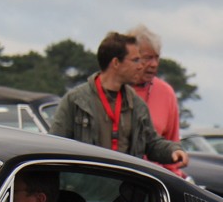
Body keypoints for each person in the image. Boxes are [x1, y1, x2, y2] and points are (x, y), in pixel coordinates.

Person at [50, 32, 190, 169]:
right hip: (84, 188)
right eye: (135, 60)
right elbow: (55, 146)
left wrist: (173, 150)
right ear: (116, 63)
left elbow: (151, 143)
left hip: (124, 189)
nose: (140, 66)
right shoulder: (75, 101)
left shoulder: (137, 105)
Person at [126, 24, 181, 144]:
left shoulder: (166, 93)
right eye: (148, 58)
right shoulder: (114, 88)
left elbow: (172, 144)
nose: (154, 64)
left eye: (157, 58)